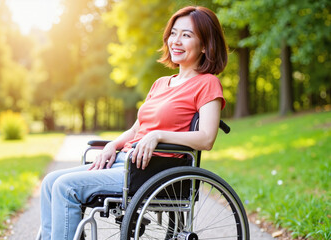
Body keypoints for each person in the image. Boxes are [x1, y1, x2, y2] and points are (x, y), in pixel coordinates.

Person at [40, 5, 228, 240]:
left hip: (153, 170)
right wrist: (113, 145)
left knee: (65, 187)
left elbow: (206, 138)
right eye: (173, 33)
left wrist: (159, 135)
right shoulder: (161, 83)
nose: (176, 41)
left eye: (187, 35)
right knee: (50, 182)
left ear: (205, 45)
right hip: (127, 161)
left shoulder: (207, 83)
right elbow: (139, 127)